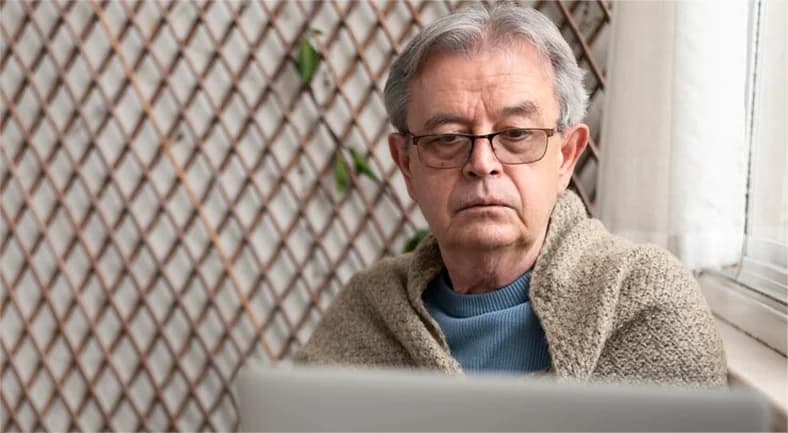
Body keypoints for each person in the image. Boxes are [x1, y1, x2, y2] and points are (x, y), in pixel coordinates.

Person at [295, 2, 726, 386]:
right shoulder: (367, 313)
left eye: (517, 134)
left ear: (566, 156)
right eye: (447, 137)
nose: (482, 162)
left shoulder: (641, 300)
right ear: (407, 164)